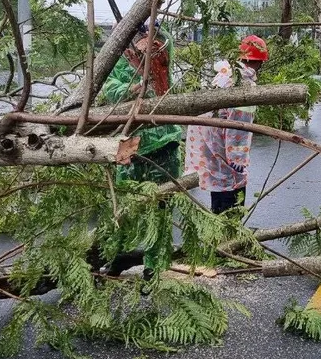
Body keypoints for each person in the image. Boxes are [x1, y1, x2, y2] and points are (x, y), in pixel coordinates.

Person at [184, 35, 269, 216]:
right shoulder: (244, 85)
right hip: (224, 149)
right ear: (260, 62)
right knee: (231, 199)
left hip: (210, 145)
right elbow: (239, 128)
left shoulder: (225, 73)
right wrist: (237, 160)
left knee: (219, 191)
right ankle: (230, 238)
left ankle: (218, 234)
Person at [102, 24, 183, 184]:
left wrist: (152, 27)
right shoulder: (115, 59)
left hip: (165, 137)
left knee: (165, 193)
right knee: (132, 194)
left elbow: (167, 41)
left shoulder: (157, 48)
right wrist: (138, 85)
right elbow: (111, 89)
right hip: (132, 139)